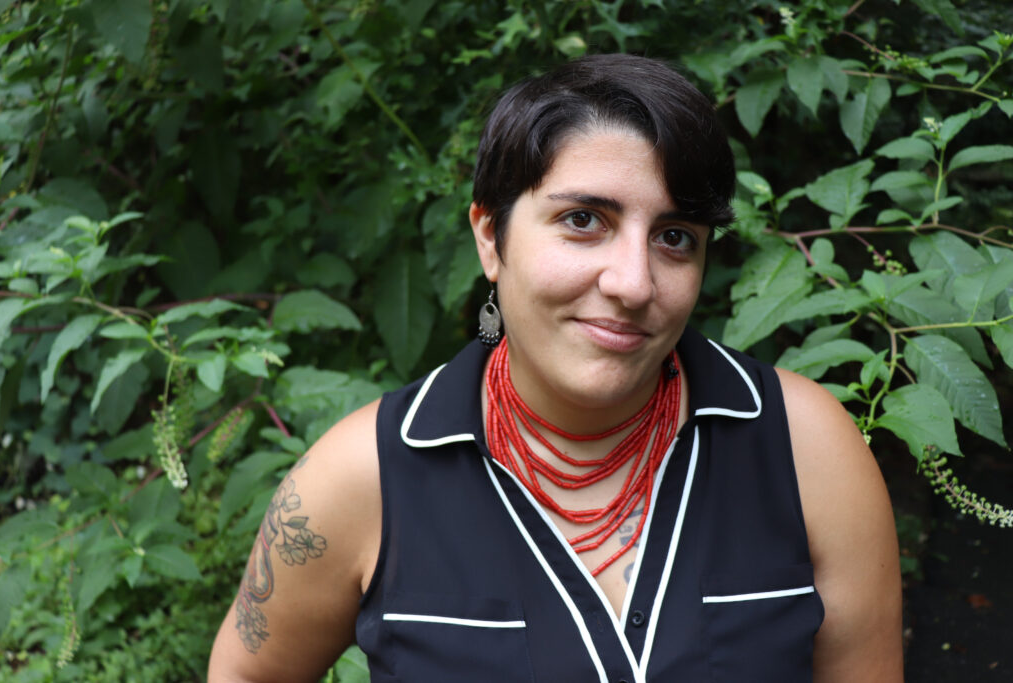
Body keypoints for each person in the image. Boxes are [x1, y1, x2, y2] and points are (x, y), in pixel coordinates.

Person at [209, 54, 902, 682]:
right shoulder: (366, 476)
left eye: (674, 237)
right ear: (490, 236)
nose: (634, 282)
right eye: (583, 220)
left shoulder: (804, 447)